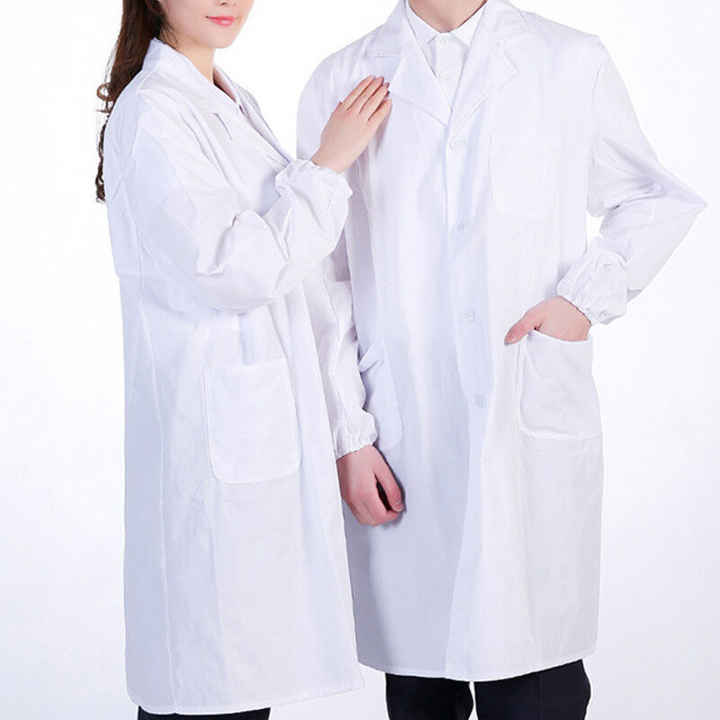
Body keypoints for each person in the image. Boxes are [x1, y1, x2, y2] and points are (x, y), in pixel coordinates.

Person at [296, 0, 706, 717]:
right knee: (421, 685)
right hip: (404, 435)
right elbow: (322, 277)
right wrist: (348, 434)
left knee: (536, 679)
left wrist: (582, 301)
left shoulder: (568, 59)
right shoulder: (342, 78)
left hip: (525, 414)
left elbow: (652, 196)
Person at [95, 0, 391, 717]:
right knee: (210, 689)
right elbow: (231, 272)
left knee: (239, 687)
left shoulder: (229, 100)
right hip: (210, 455)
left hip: (259, 447)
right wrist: (328, 165)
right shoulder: (153, 113)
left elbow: (302, 279)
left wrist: (347, 432)